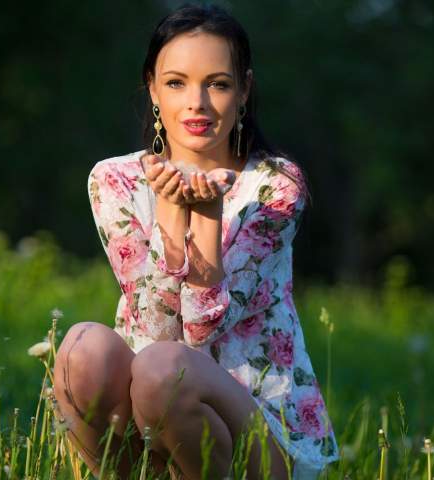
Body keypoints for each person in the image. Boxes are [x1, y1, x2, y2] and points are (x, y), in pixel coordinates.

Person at [53, 4, 339, 479]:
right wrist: (169, 213)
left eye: (218, 84)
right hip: (149, 417)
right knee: (83, 349)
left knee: (164, 372)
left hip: (258, 431)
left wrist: (206, 214)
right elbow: (155, 327)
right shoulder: (115, 180)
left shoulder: (274, 187)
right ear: (152, 88)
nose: (197, 103)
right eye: (176, 83)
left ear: (244, 90)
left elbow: (200, 333)